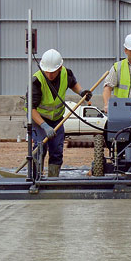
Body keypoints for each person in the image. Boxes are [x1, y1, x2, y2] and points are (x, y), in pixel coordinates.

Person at [30, 49, 92, 178]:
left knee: (57, 151)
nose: (50, 75)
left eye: (53, 72)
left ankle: (53, 178)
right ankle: (36, 178)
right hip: (40, 120)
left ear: (60, 68)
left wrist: (81, 92)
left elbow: (73, 83)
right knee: (40, 149)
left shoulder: (65, 73)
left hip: (57, 119)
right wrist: (44, 126)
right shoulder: (37, 81)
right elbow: (31, 109)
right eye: (47, 71)